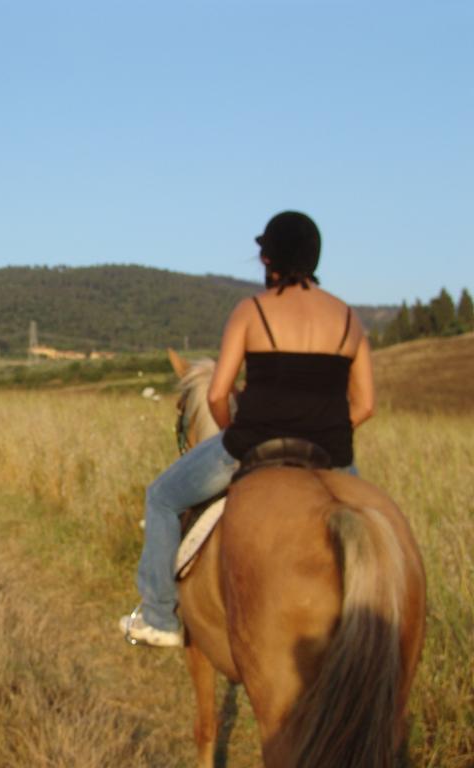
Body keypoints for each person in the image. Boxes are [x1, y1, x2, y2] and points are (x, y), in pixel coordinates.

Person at [121, 211, 375, 648]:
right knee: (372, 530)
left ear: (271, 261)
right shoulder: (349, 318)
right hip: (332, 456)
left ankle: (159, 617)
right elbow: (366, 404)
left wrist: (232, 433)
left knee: (160, 498)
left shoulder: (252, 311)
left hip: (255, 443)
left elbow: (218, 395)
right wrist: (328, 426)